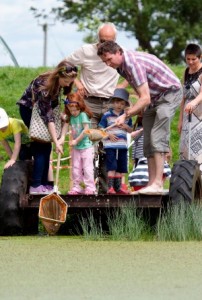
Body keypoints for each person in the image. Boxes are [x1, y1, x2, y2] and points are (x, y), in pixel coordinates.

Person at [97, 41, 183, 195]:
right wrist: (136, 110)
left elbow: (144, 98)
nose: (108, 64)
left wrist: (126, 114)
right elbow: (141, 93)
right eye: (105, 62)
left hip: (170, 93)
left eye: (109, 59)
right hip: (154, 97)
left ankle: (157, 183)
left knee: (157, 136)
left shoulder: (132, 65)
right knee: (148, 140)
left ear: (118, 52)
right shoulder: (120, 68)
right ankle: (150, 184)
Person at [65, 22, 127, 193]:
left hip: (110, 103)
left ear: (115, 41)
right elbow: (65, 64)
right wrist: (77, 82)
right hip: (89, 102)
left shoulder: (119, 53)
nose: (104, 44)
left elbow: (132, 70)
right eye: (101, 40)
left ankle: (105, 189)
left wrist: (122, 86)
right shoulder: (86, 51)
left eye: (109, 40)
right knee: (87, 146)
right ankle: (87, 188)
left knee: (109, 146)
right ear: (97, 39)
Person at [17, 60, 78, 194]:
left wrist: (60, 135)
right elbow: (48, 117)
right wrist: (56, 141)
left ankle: (45, 184)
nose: (68, 84)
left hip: (44, 113)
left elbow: (58, 108)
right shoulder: (44, 85)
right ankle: (36, 185)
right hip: (29, 110)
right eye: (66, 81)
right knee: (41, 145)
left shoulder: (61, 84)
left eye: (71, 81)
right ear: (59, 76)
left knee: (46, 147)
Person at [98, 88, 133, 194]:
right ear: (113, 102)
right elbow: (100, 129)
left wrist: (126, 126)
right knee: (111, 165)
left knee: (121, 166)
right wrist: (108, 135)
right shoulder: (107, 115)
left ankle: (118, 188)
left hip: (122, 145)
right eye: (117, 102)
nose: (119, 105)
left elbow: (131, 130)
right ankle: (110, 188)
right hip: (110, 145)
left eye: (122, 103)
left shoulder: (126, 116)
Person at [64, 93, 96, 195]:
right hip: (76, 148)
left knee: (87, 168)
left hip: (86, 147)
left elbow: (86, 130)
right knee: (76, 168)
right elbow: (65, 126)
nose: (73, 112)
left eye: (75, 110)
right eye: (71, 110)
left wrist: (76, 140)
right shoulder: (71, 117)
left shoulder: (82, 115)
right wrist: (61, 140)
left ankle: (90, 187)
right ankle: (76, 187)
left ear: (80, 107)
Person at [178, 43, 202, 166]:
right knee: (185, 147)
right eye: (188, 59)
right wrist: (180, 120)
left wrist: (194, 102)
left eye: (194, 59)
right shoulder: (186, 71)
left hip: (200, 116)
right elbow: (183, 97)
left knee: (198, 149)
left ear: (200, 57)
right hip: (187, 115)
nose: (191, 62)